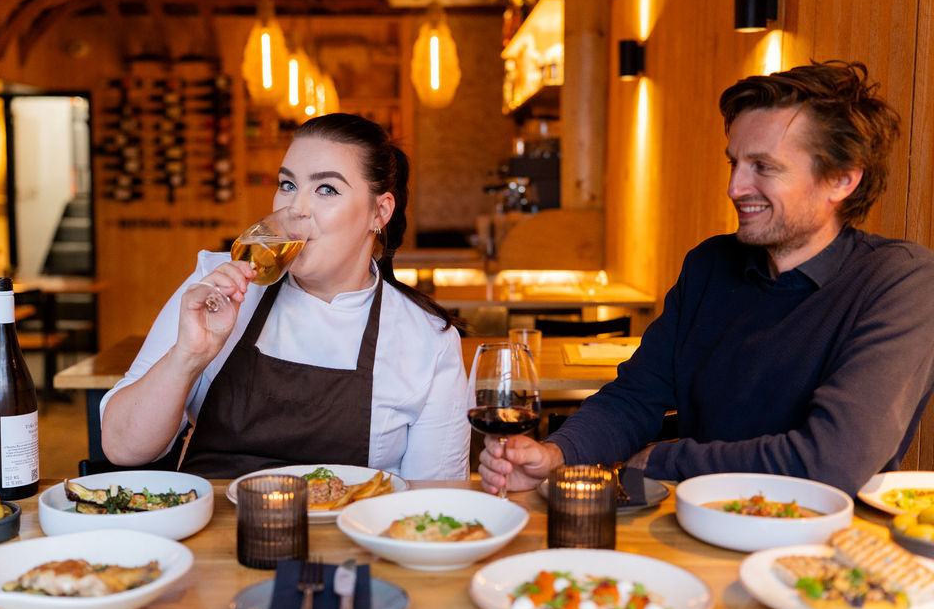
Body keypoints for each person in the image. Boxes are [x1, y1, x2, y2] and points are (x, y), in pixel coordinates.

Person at [480, 60, 934, 496]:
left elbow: (830, 463)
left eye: (764, 167)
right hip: (692, 530)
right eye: (733, 163)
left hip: (818, 551)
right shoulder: (710, 265)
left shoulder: (901, 282)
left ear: (840, 180)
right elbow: (634, 397)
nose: (736, 187)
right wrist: (558, 453)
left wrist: (663, 461)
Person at [101, 113, 470, 480]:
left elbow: (434, 502)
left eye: (327, 189)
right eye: (288, 185)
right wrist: (188, 356)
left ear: (380, 211)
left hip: (349, 535)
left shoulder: (428, 341)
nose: (295, 208)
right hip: (216, 532)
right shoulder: (215, 285)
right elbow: (123, 449)